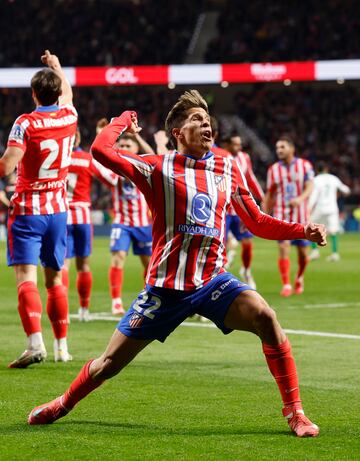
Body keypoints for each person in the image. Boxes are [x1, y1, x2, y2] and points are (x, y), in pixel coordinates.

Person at [28, 90, 326, 438]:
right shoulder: (156, 167)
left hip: (211, 282)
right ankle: (62, 403)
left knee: (266, 316)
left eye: (207, 119)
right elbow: (100, 151)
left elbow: (256, 221)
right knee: (109, 364)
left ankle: (295, 412)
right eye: (196, 120)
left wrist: (301, 230)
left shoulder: (226, 167)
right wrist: (122, 120)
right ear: (178, 133)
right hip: (165, 290)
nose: (206, 124)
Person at [0, 50, 77, 367]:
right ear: (57, 92)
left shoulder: (26, 123)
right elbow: (69, 94)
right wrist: (57, 66)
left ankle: (35, 344)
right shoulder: (69, 117)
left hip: (29, 211)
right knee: (54, 280)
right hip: (58, 210)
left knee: (26, 278)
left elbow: (7, 167)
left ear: (33, 94)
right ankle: (62, 348)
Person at [62, 127, 117, 322]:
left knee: (63, 266)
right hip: (83, 216)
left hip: (62, 216)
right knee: (83, 265)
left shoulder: (56, 158)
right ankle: (84, 310)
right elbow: (112, 179)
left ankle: (63, 310)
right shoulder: (87, 159)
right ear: (78, 138)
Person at [108, 132, 155, 315]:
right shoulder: (115, 168)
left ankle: (148, 298)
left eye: (129, 146)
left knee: (149, 264)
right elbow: (101, 157)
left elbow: (153, 155)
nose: (125, 149)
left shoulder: (143, 167)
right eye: (123, 146)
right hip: (122, 223)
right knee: (118, 258)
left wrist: (139, 137)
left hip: (143, 224)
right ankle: (116, 301)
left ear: (136, 149)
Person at [262, 136, 314, 297]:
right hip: (281, 215)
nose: (279, 150)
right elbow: (270, 194)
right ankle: (286, 284)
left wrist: (300, 198)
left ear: (292, 148)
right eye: (277, 148)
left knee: (303, 253)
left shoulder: (305, 166)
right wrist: (265, 214)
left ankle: (299, 277)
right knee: (284, 248)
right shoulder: (273, 170)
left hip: (301, 216)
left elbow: (310, 186)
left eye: (282, 147)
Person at [222, 134, 265, 289]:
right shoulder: (218, 156)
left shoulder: (244, 157)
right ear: (226, 144)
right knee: (222, 246)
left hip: (240, 209)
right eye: (235, 144)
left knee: (247, 243)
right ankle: (219, 278)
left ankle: (246, 270)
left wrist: (262, 197)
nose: (238, 148)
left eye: (240, 144)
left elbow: (250, 177)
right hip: (224, 210)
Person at [308, 161, 350, 262]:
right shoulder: (333, 178)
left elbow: (313, 196)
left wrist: (309, 208)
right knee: (333, 231)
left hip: (320, 208)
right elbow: (346, 190)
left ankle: (315, 251)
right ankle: (335, 253)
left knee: (311, 227)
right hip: (332, 208)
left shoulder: (316, 180)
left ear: (317, 170)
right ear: (326, 169)